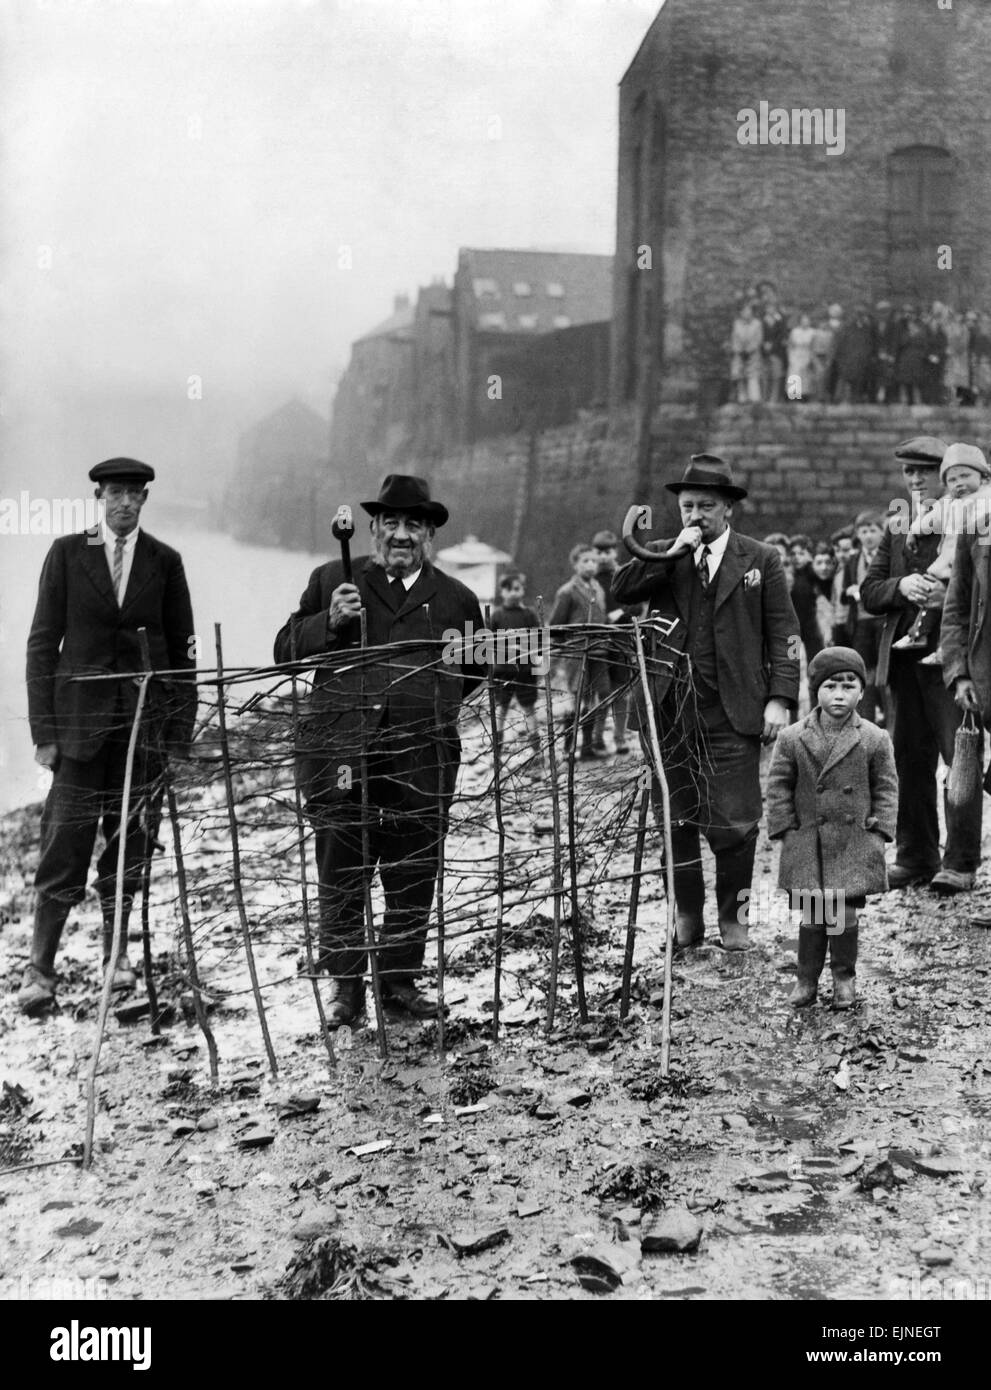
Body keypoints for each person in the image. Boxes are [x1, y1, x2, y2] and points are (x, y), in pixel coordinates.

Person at [273, 474, 484, 1027]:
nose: (401, 534)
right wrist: (330, 623)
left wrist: (420, 707)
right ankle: (346, 987)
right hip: (341, 757)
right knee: (341, 867)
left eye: (413, 525)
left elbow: (474, 673)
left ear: (430, 535)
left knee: (413, 870)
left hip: (421, 757)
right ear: (372, 529)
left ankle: (398, 981)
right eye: (390, 523)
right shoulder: (331, 581)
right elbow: (286, 654)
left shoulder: (458, 599)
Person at [20, 458, 197, 1015]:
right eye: (114, 492)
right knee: (63, 846)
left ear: (144, 499)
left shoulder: (165, 563)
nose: (123, 502)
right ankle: (40, 969)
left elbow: (184, 652)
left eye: (133, 494)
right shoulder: (68, 554)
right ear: (99, 496)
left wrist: (177, 738)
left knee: (129, 848)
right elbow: (41, 644)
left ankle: (115, 959)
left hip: (142, 731)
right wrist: (44, 733)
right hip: (77, 732)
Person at [612, 454, 799, 951]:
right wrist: (672, 552)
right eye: (688, 505)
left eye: (707, 506)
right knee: (675, 819)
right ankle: (687, 919)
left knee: (737, 822)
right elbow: (622, 589)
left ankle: (733, 923)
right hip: (667, 708)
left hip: (732, 710)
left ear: (728, 509)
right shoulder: (661, 553)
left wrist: (780, 698)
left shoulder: (761, 559)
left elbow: (784, 633)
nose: (696, 515)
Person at [861, 437, 984, 894]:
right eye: (909, 473)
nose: (916, 481)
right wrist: (902, 586)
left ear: (949, 476)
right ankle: (916, 855)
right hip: (905, 664)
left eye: (926, 473)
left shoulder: (974, 518)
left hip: (954, 663)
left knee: (962, 762)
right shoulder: (898, 526)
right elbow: (869, 591)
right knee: (909, 761)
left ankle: (961, 861)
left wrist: (949, 596)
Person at [767, 648, 898, 1009]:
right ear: (814, 690)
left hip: (854, 842)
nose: (839, 695)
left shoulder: (874, 737)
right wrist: (784, 827)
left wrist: (881, 829)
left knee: (843, 914)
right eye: (829, 687)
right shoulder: (792, 738)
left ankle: (844, 979)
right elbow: (778, 784)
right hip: (808, 842)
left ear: (861, 691)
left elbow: (886, 786)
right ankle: (806, 980)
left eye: (848, 686)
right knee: (812, 914)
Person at [895, 443, 991, 665]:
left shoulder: (985, 500)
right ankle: (924, 637)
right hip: (948, 561)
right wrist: (913, 531)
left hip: (971, 562)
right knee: (934, 598)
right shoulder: (948, 503)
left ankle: (937, 644)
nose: (960, 484)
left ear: (983, 476)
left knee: (957, 603)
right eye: (953, 480)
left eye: (965, 476)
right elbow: (931, 519)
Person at [549, 543, 610, 759]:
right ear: (575, 565)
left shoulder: (598, 588)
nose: (591, 565)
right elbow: (556, 626)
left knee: (595, 698)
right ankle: (568, 748)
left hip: (599, 651)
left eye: (594, 561)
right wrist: (558, 655)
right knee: (577, 698)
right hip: (577, 652)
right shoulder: (567, 592)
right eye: (585, 561)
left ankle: (587, 747)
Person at [489, 571, 542, 773]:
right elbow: (487, 640)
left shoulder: (529, 615)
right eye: (509, 589)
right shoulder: (496, 616)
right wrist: (503, 642)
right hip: (503, 670)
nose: (513, 593)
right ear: (502, 592)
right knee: (501, 709)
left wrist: (524, 645)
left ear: (523, 591)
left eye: (517, 589)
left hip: (525, 670)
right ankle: (497, 755)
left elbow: (538, 640)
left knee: (529, 708)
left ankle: (536, 753)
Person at [592, 528, 637, 755]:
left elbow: (637, 601)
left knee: (621, 690)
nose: (602, 557)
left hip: (620, 639)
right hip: (597, 642)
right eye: (598, 552)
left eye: (607, 551)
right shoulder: (589, 576)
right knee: (601, 691)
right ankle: (597, 737)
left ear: (615, 552)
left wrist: (621, 613)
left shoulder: (624, 573)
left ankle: (619, 737)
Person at [840, 511, 885, 722]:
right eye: (864, 531)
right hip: (861, 621)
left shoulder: (887, 556)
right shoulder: (853, 560)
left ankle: (888, 716)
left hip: (883, 620)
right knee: (863, 671)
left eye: (873, 531)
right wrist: (850, 591)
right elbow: (843, 592)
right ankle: (866, 720)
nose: (868, 536)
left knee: (884, 673)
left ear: (882, 532)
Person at [788, 534, 822, 662]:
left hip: (811, 624)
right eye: (793, 554)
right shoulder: (788, 574)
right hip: (793, 626)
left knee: (815, 658)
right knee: (793, 660)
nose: (797, 558)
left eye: (801, 554)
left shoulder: (814, 573)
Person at [730, 302, 762, 403]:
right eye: (745, 311)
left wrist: (750, 349)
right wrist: (739, 350)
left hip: (752, 353)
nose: (747, 313)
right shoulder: (737, 323)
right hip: (739, 353)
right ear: (741, 313)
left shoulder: (757, 324)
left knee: (753, 375)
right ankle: (742, 398)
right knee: (739, 375)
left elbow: (758, 339)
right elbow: (735, 338)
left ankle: (754, 398)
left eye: (749, 311)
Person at [786, 312, 815, 401]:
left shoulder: (813, 332)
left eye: (807, 321)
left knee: (805, 376)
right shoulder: (795, 331)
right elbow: (790, 345)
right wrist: (790, 357)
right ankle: (793, 396)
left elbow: (813, 346)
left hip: (807, 354)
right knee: (795, 374)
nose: (805, 323)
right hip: (796, 354)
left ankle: (805, 396)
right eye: (803, 321)